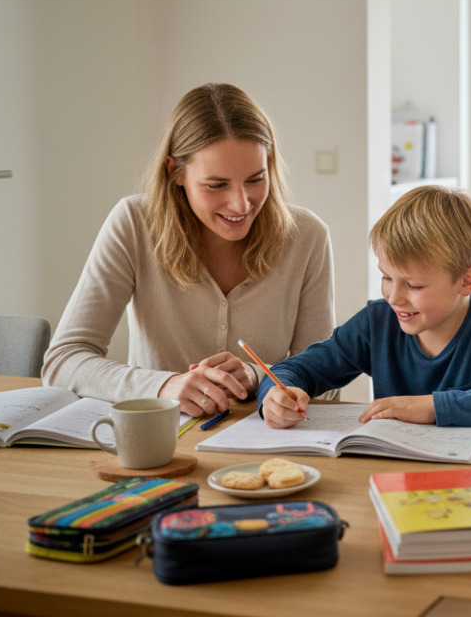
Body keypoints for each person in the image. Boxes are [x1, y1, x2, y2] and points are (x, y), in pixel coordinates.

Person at [42, 83, 335, 416]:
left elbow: (326, 381)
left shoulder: (308, 236)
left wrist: (259, 376)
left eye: (255, 179)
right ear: (175, 171)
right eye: (217, 185)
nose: (241, 204)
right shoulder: (133, 224)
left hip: (269, 438)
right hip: (161, 436)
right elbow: (63, 361)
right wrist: (163, 386)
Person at [259, 185, 471, 429]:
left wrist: (432, 407)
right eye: (386, 277)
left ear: (467, 281)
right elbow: (294, 370)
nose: (394, 297)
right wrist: (275, 395)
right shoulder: (377, 323)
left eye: (414, 285)